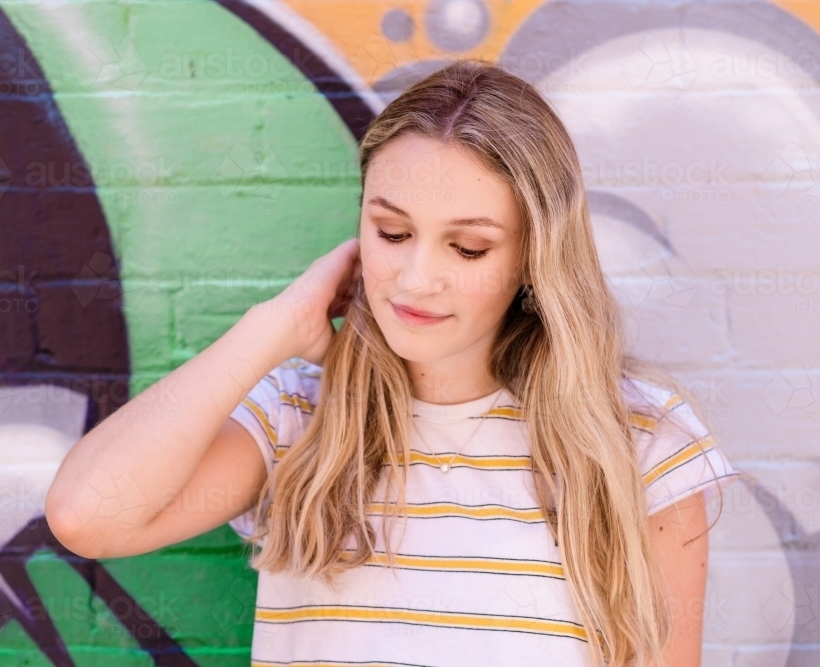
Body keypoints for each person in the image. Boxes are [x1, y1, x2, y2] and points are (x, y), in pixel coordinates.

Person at [45, 59, 740, 667]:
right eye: (392, 232)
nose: (415, 279)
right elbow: (87, 516)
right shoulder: (299, 418)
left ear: (535, 256)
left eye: (467, 248)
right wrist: (272, 326)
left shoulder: (639, 440)